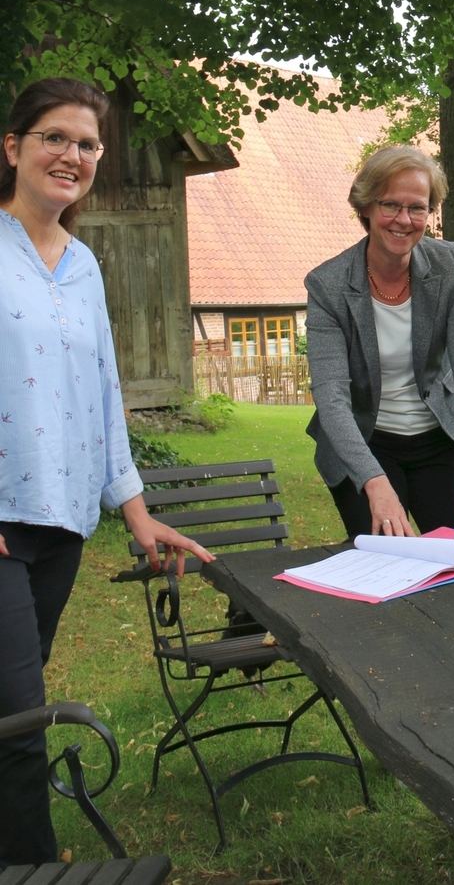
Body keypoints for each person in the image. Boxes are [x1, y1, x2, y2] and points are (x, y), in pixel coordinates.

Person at [0, 77, 213, 869]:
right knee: (22, 722)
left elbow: (103, 391)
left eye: (88, 144)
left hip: (58, 524)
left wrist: (135, 508)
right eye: (55, 137)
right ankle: (38, 868)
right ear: (14, 148)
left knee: (6, 714)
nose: (74, 155)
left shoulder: (84, 264)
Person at [305, 145, 454, 538]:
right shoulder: (328, 285)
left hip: (438, 440)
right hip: (366, 441)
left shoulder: (450, 263)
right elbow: (331, 395)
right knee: (391, 561)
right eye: (390, 205)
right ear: (365, 207)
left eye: (417, 207)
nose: (403, 220)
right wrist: (373, 480)